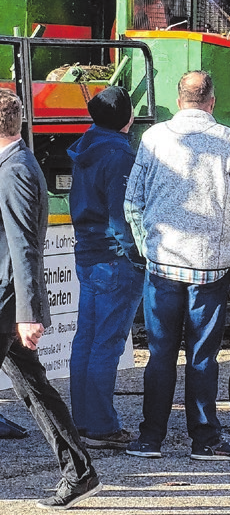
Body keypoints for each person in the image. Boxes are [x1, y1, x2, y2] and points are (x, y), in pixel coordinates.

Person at [124, 70, 230, 461]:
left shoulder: (152, 139)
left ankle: (150, 438)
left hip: (163, 265)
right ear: (211, 101)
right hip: (210, 268)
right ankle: (205, 439)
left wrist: (147, 247)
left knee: (161, 354)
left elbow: (133, 202)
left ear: (179, 99)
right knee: (203, 356)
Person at [0, 90, 102, 508]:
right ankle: (78, 471)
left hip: (6, 302)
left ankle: (78, 471)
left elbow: (24, 247)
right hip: (9, 300)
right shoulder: (14, 163)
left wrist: (27, 313)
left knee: (34, 388)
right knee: (34, 389)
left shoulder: (15, 170)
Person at [67, 86, 145, 450]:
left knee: (86, 338)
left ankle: (82, 419)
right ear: (127, 118)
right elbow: (121, 218)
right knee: (107, 343)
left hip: (88, 253)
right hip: (115, 257)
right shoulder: (119, 156)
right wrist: (137, 255)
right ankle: (100, 425)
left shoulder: (85, 149)